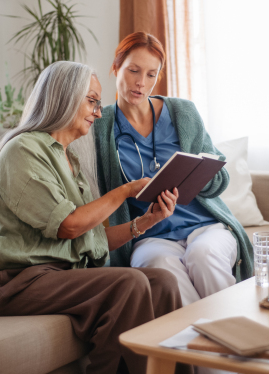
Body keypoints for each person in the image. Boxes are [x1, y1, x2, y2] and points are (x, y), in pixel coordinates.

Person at [0, 61, 182, 374]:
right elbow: (69, 226)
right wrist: (125, 190)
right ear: (65, 97)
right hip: (15, 282)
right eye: (92, 101)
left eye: (99, 103)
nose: (99, 112)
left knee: (163, 281)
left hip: (61, 273)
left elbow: (93, 237)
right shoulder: (22, 150)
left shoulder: (68, 157)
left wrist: (149, 221)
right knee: (128, 282)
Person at [93, 32, 253, 306]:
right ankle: (199, 342)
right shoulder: (99, 126)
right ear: (116, 66)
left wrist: (199, 175)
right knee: (159, 267)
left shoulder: (183, 112)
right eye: (133, 70)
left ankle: (235, 328)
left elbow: (220, 180)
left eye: (151, 75)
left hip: (205, 226)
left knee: (203, 256)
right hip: (150, 234)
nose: (141, 83)